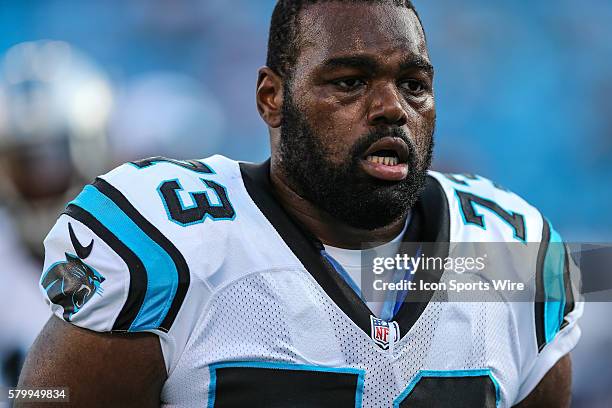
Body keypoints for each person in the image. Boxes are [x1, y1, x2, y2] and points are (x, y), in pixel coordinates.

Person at [18, 1, 582, 407]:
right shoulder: (176, 245)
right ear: (272, 97)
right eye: (350, 82)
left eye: (413, 83)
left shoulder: (512, 254)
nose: (391, 108)